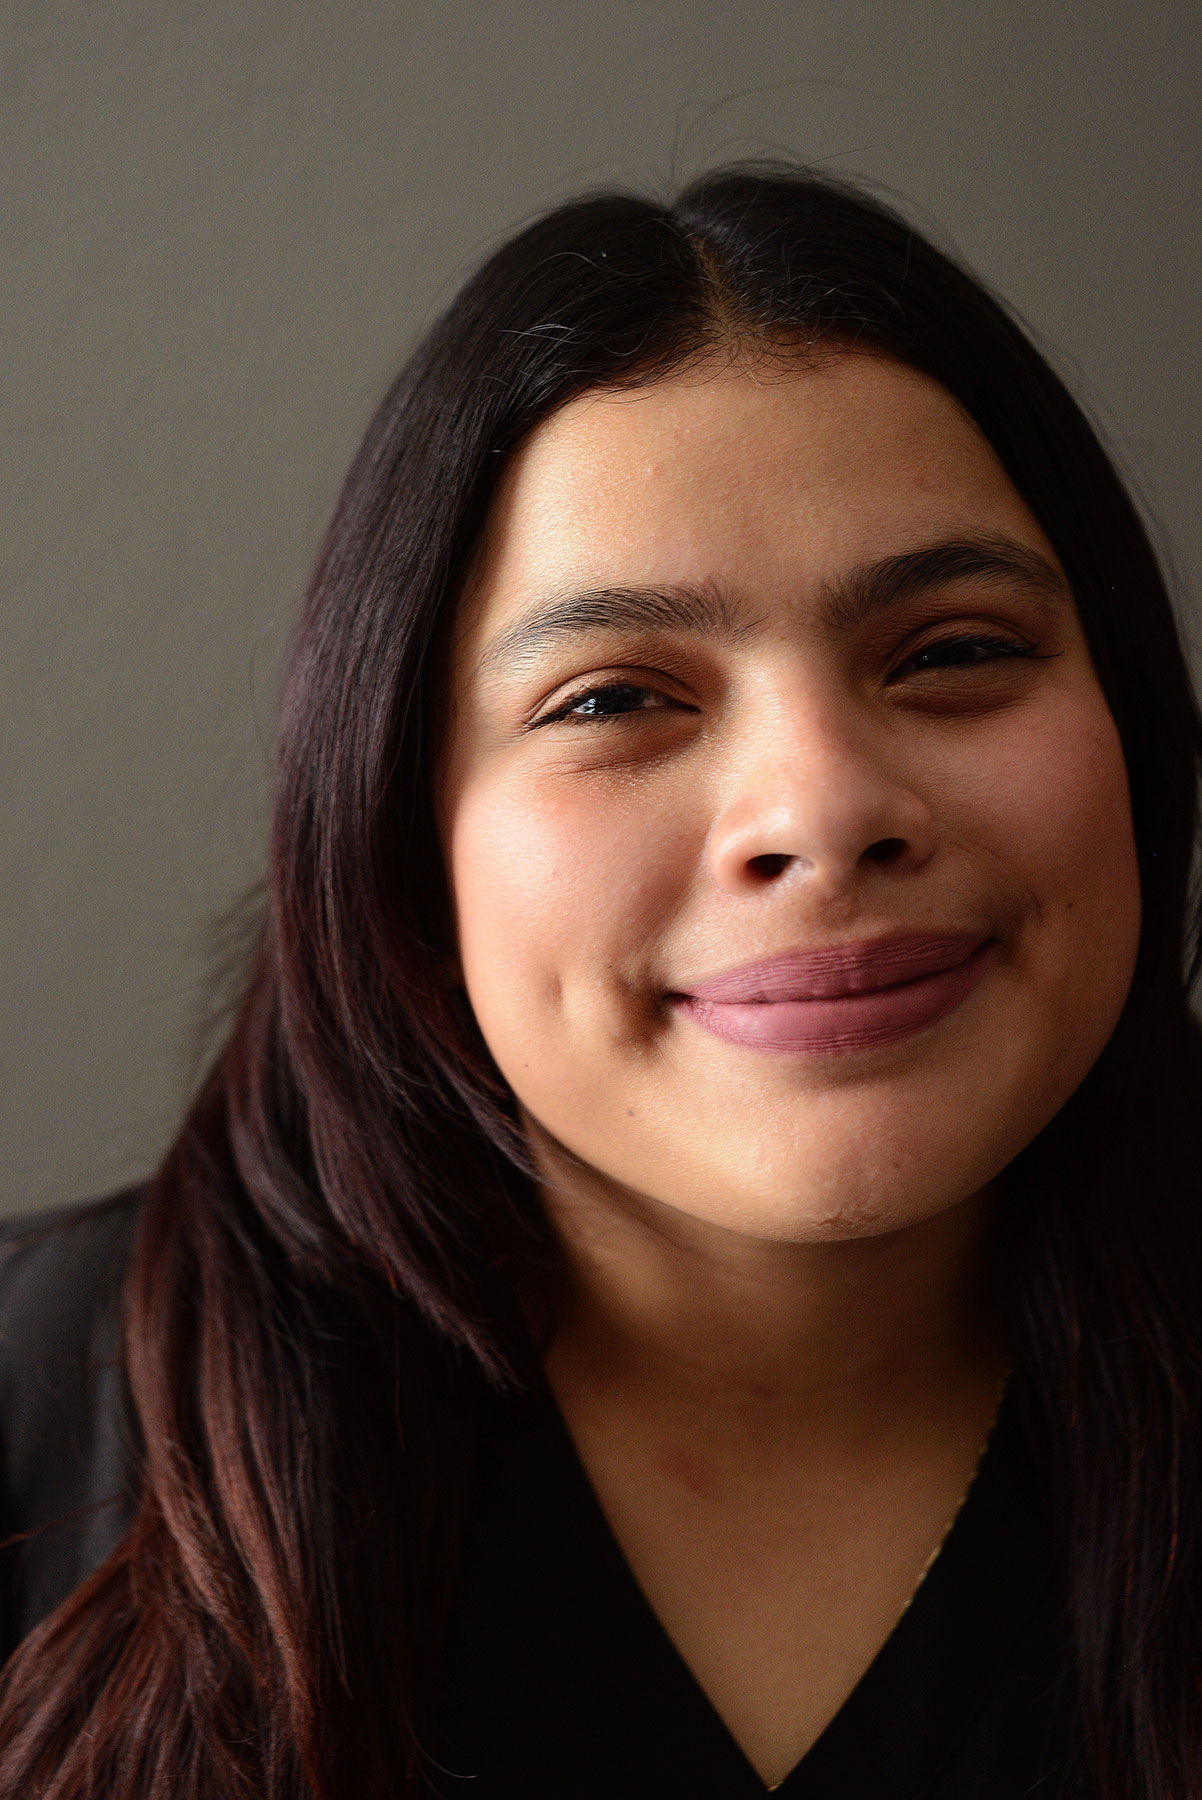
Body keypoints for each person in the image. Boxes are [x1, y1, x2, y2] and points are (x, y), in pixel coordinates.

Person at [0, 162, 1200, 1800]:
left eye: (953, 651)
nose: (820, 812)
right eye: (615, 698)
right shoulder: (30, 1412)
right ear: (400, 837)